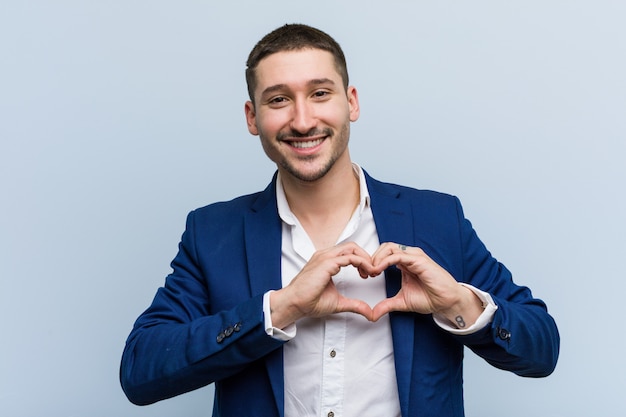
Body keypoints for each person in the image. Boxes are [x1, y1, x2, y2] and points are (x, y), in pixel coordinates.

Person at [120, 23, 559, 417]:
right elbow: (141, 370)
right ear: (253, 118)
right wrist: (281, 308)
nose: (303, 119)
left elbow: (541, 348)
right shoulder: (212, 233)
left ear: (351, 102)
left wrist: (458, 305)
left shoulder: (437, 218)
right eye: (278, 100)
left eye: (320, 93)